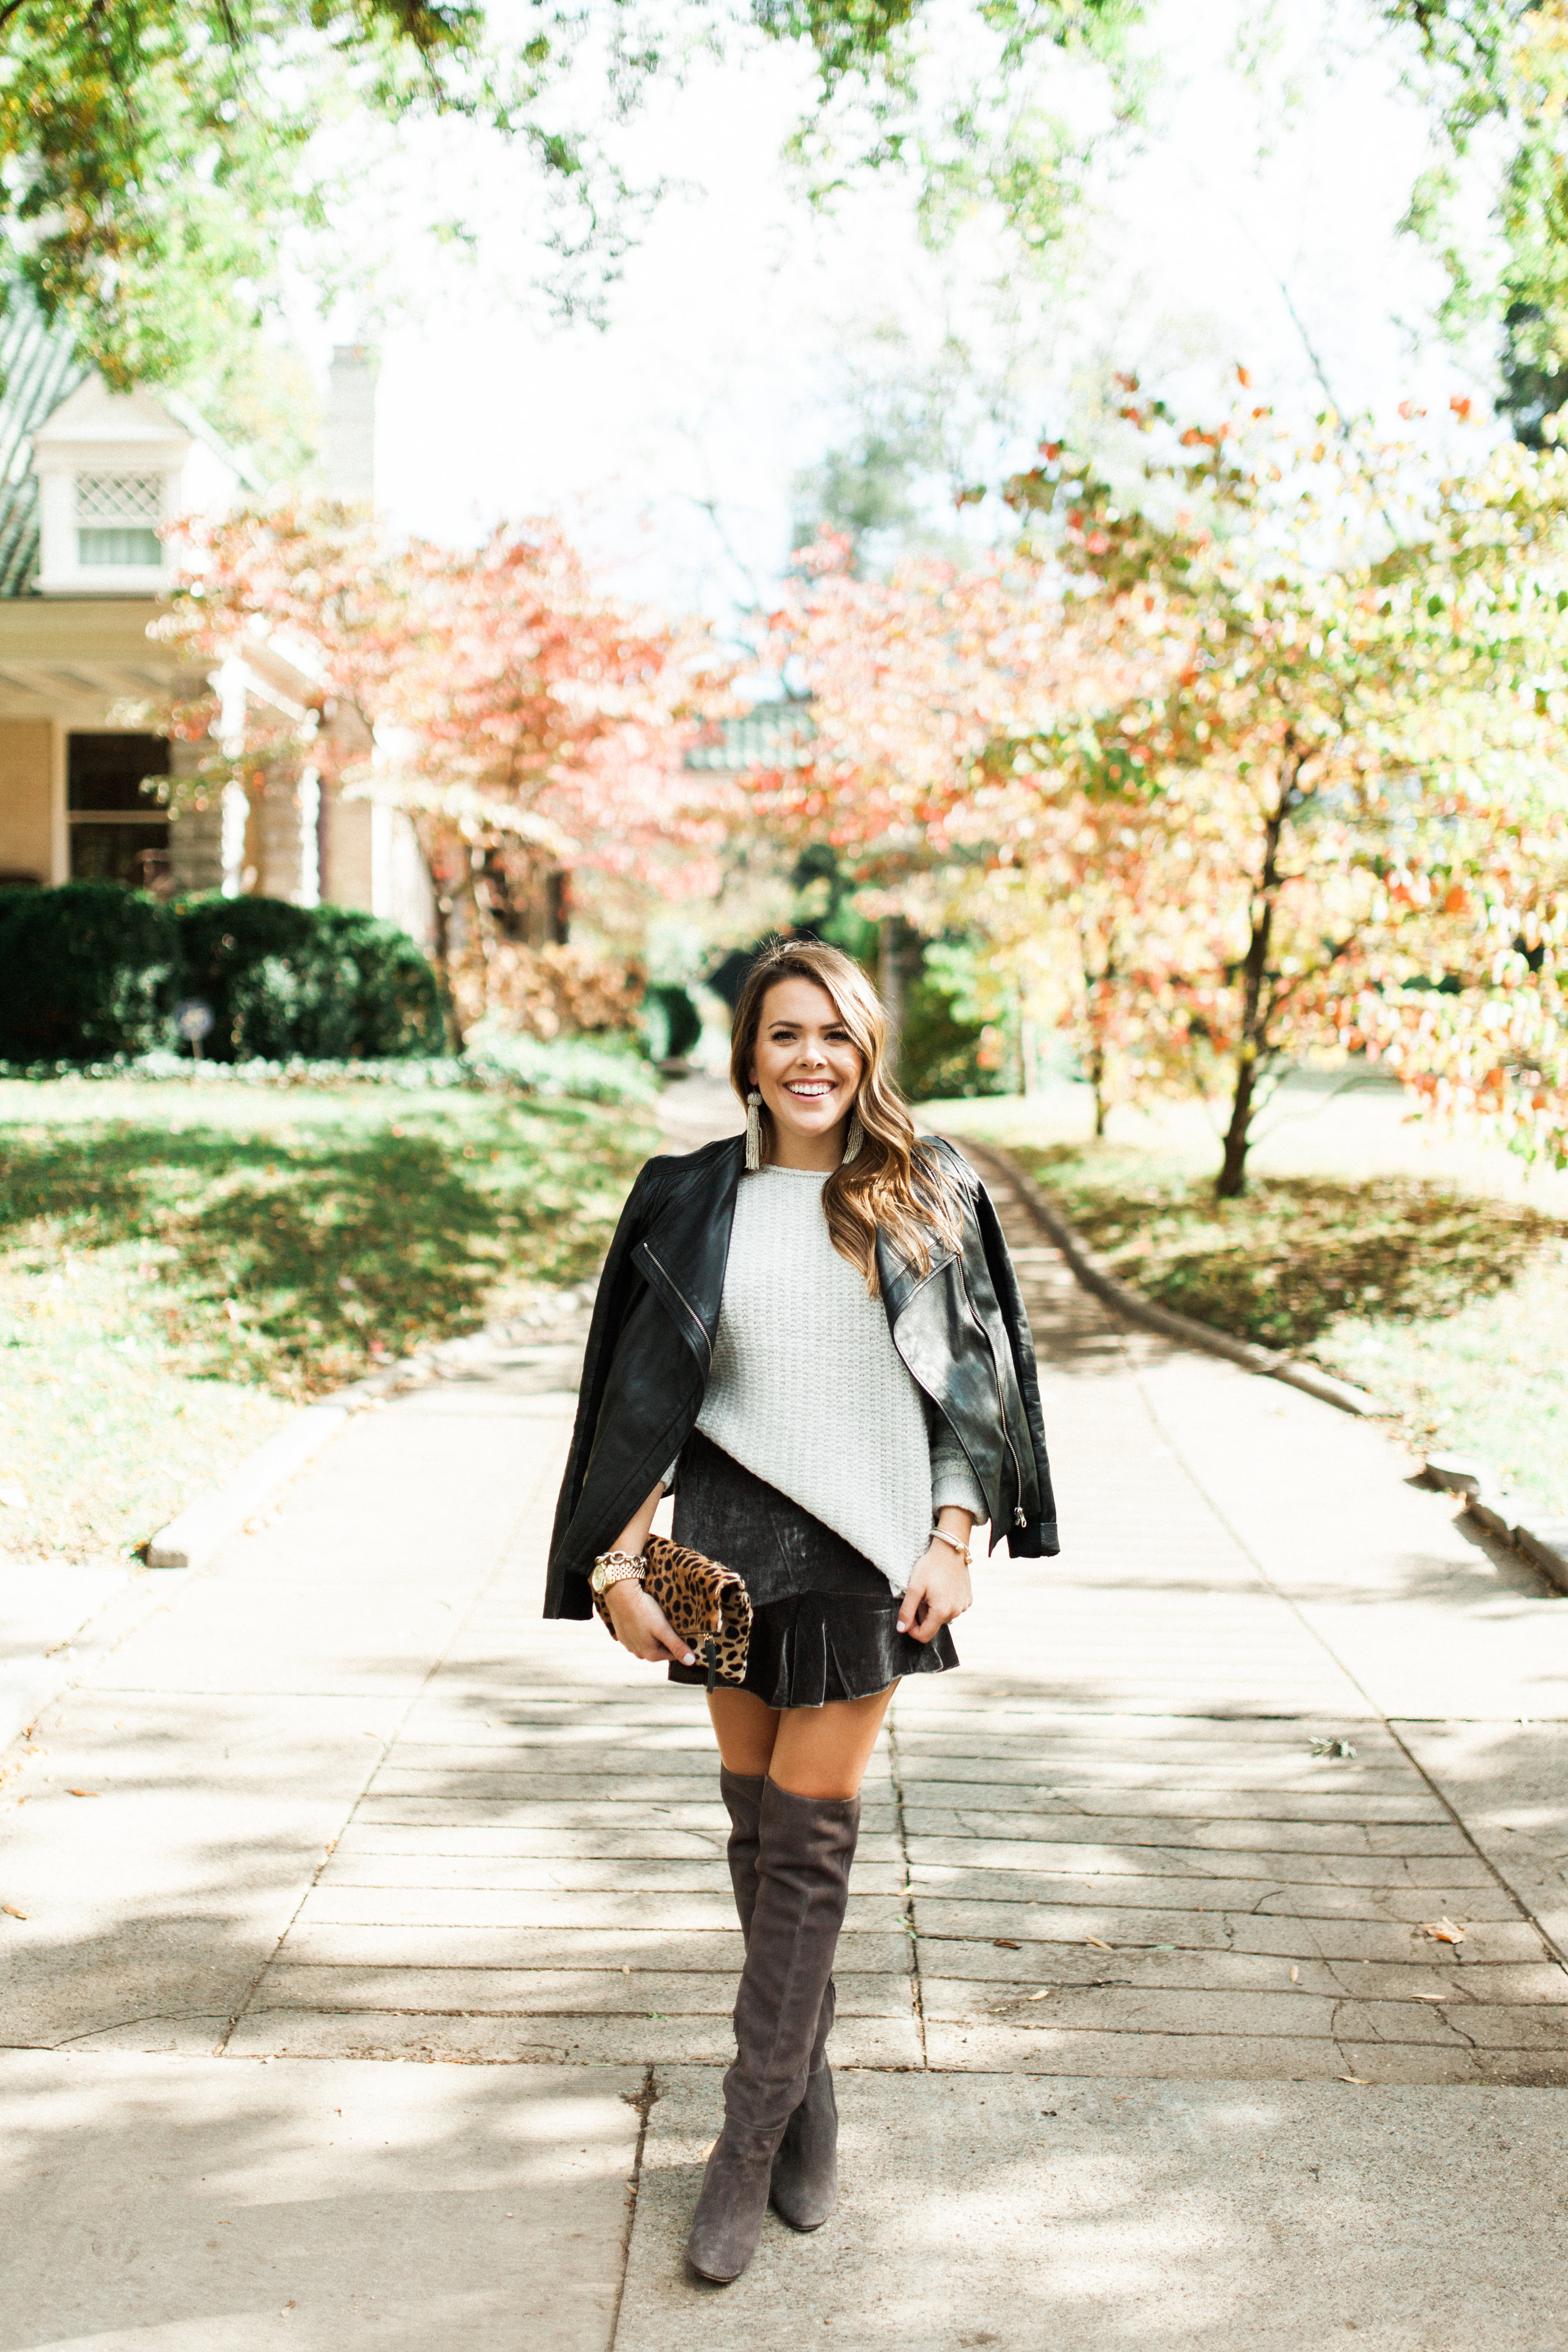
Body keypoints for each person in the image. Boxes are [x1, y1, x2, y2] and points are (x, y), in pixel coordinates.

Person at [544, 938, 1058, 2283]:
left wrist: (957, 1534)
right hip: (715, 1539)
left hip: (870, 1543)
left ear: (866, 1046)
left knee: (810, 1835)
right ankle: (807, 2093)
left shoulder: (921, 1188)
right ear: (747, 1053)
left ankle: (740, 2137)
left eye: (832, 1032)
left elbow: (972, 1388)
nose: (809, 1056)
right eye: (783, 1033)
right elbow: (635, 1400)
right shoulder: (684, 1194)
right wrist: (613, 1569)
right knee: (753, 1825)